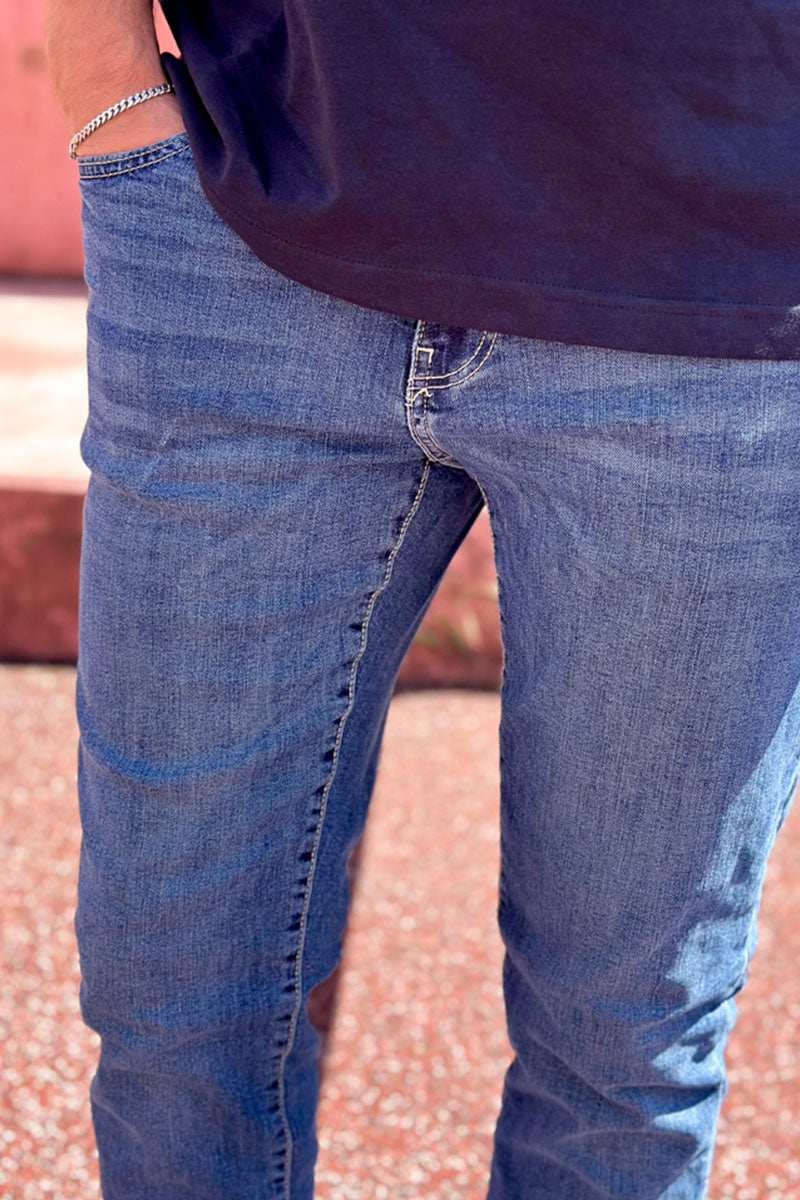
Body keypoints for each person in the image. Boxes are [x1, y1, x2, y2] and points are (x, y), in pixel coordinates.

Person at [47, 1, 800, 1197]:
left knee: (620, 1049)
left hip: (719, 299)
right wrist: (106, 90)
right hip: (246, 220)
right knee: (169, 997)